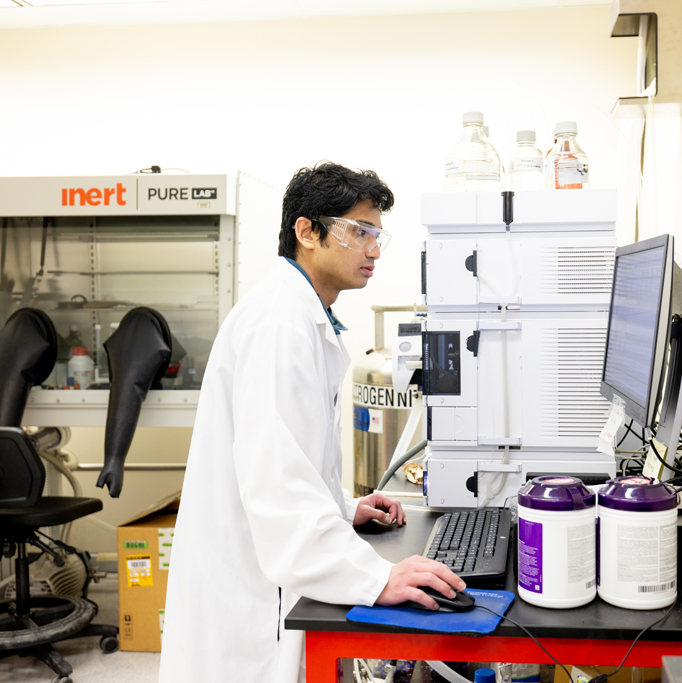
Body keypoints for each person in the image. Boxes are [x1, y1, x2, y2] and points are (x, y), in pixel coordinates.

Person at [159, 162, 464, 683]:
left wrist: (345, 508)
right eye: (359, 231)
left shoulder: (302, 316)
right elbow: (279, 487)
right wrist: (377, 577)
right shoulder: (279, 324)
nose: (372, 249)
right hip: (249, 595)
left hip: (262, 568)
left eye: (377, 236)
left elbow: (287, 459)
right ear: (307, 232)